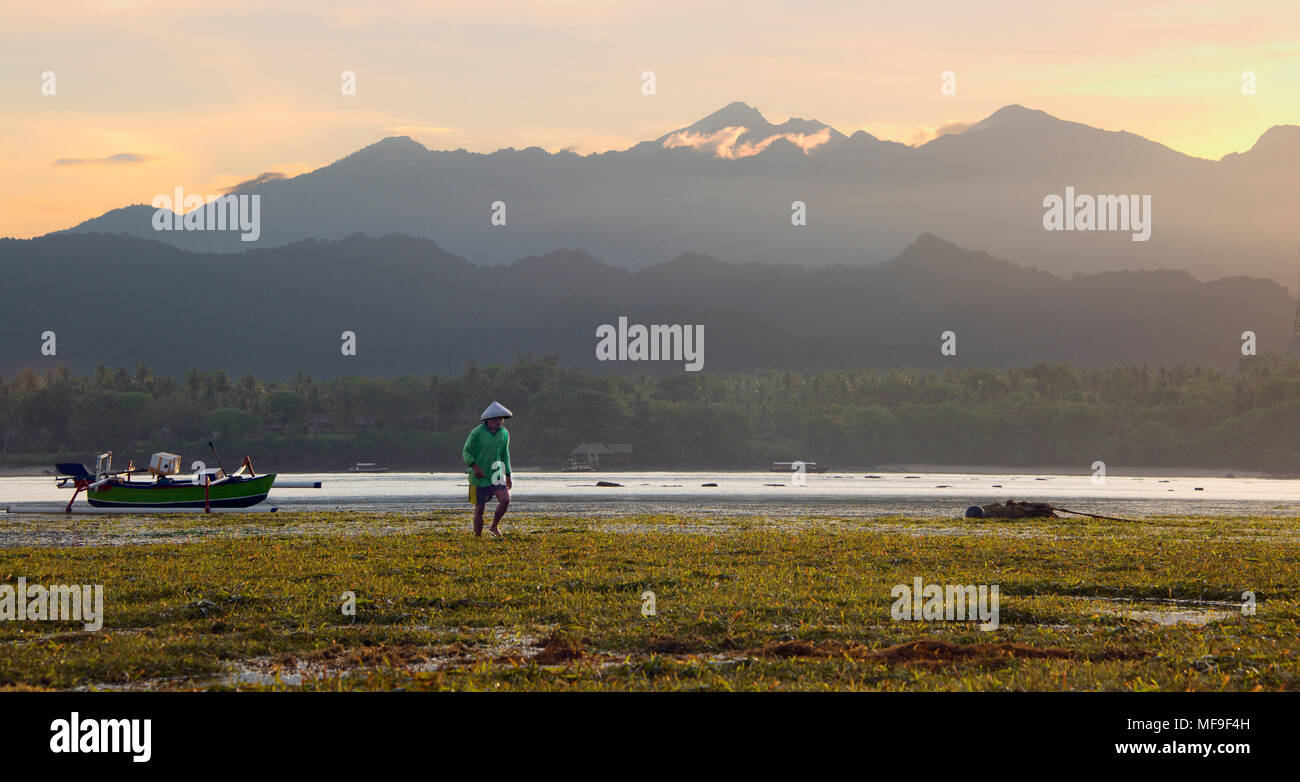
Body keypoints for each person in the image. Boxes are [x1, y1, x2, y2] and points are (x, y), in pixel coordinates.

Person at [463, 401, 513, 537]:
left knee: (505, 500)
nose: (500, 422)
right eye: (497, 419)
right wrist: (474, 466)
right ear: (489, 420)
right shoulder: (477, 433)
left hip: (496, 471)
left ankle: (494, 526)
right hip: (479, 474)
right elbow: (466, 451)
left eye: (502, 419)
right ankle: (478, 537)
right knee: (480, 507)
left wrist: (508, 474)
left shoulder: (504, 433)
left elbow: (504, 454)